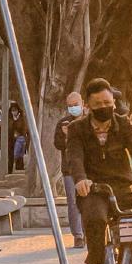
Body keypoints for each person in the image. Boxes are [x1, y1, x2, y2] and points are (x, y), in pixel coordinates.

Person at [65, 78, 132, 264]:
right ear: (88, 107)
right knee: (95, 219)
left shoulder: (124, 124)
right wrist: (80, 179)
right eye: (98, 105)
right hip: (94, 190)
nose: (104, 108)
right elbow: (75, 157)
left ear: (114, 103)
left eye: (108, 103)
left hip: (123, 188)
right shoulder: (77, 129)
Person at [53, 93, 87, 243]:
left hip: (88, 169)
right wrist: (66, 136)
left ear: (82, 103)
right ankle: (78, 235)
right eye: (70, 105)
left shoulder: (89, 122)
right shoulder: (63, 124)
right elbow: (58, 144)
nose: (73, 108)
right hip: (69, 170)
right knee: (73, 202)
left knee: (89, 200)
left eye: (76, 104)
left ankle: (89, 232)